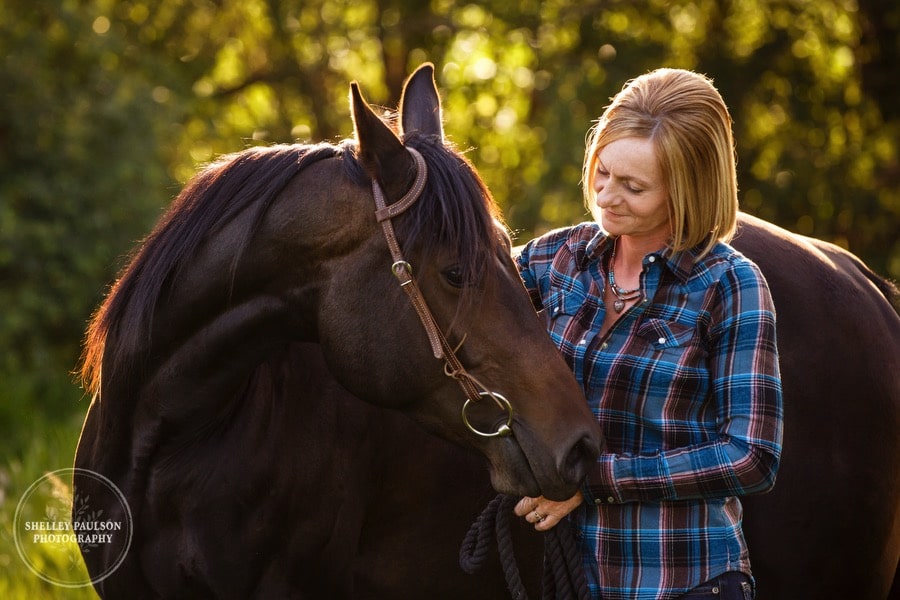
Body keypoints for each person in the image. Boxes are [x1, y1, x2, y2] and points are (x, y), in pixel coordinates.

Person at [513, 68, 784, 600]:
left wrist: (594, 483)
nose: (607, 197)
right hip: (565, 580)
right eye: (602, 173)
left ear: (687, 191)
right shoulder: (552, 260)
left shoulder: (731, 286)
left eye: (634, 187)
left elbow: (752, 457)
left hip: (685, 580)